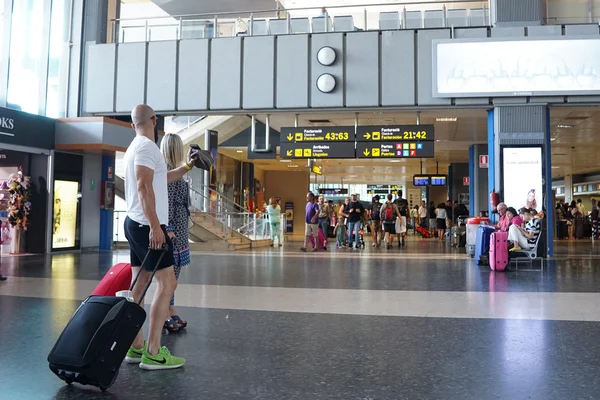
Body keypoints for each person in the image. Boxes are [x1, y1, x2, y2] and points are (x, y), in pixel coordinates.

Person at [123, 104, 191, 370]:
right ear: (155, 120)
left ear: (132, 125)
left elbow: (158, 180)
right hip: (146, 226)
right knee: (167, 284)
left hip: (134, 223)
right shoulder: (147, 147)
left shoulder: (135, 147)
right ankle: (153, 351)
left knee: (138, 287)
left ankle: (136, 345)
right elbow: (142, 185)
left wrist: (187, 166)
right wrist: (155, 226)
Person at [159, 133, 196, 333]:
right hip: (172, 232)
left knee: (174, 277)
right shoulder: (167, 174)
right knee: (168, 279)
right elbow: (167, 206)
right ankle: (165, 312)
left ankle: (170, 307)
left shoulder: (177, 173)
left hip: (180, 232)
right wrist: (170, 230)